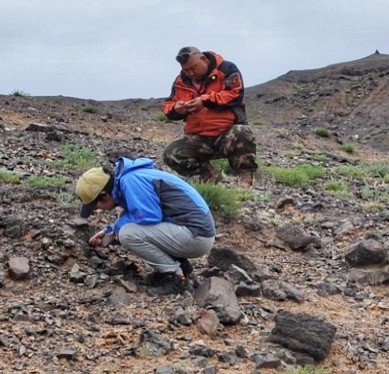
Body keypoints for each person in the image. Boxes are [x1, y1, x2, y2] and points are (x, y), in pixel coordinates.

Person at [76, 157, 215, 295]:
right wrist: (110, 231)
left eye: (96, 206)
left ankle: (176, 279)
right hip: (194, 231)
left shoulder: (131, 181)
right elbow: (141, 216)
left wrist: (117, 230)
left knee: (127, 234)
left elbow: (149, 217)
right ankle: (184, 269)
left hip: (197, 235)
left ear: (104, 195)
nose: (99, 210)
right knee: (125, 221)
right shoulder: (130, 178)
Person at [161, 47, 258, 186]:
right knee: (171, 153)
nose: (191, 72)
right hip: (198, 136)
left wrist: (205, 101)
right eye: (186, 69)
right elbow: (168, 105)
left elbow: (235, 94)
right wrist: (176, 109)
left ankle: (245, 176)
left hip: (226, 133)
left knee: (242, 132)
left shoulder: (226, 69)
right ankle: (212, 177)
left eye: (193, 67)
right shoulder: (181, 81)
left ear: (204, 59)